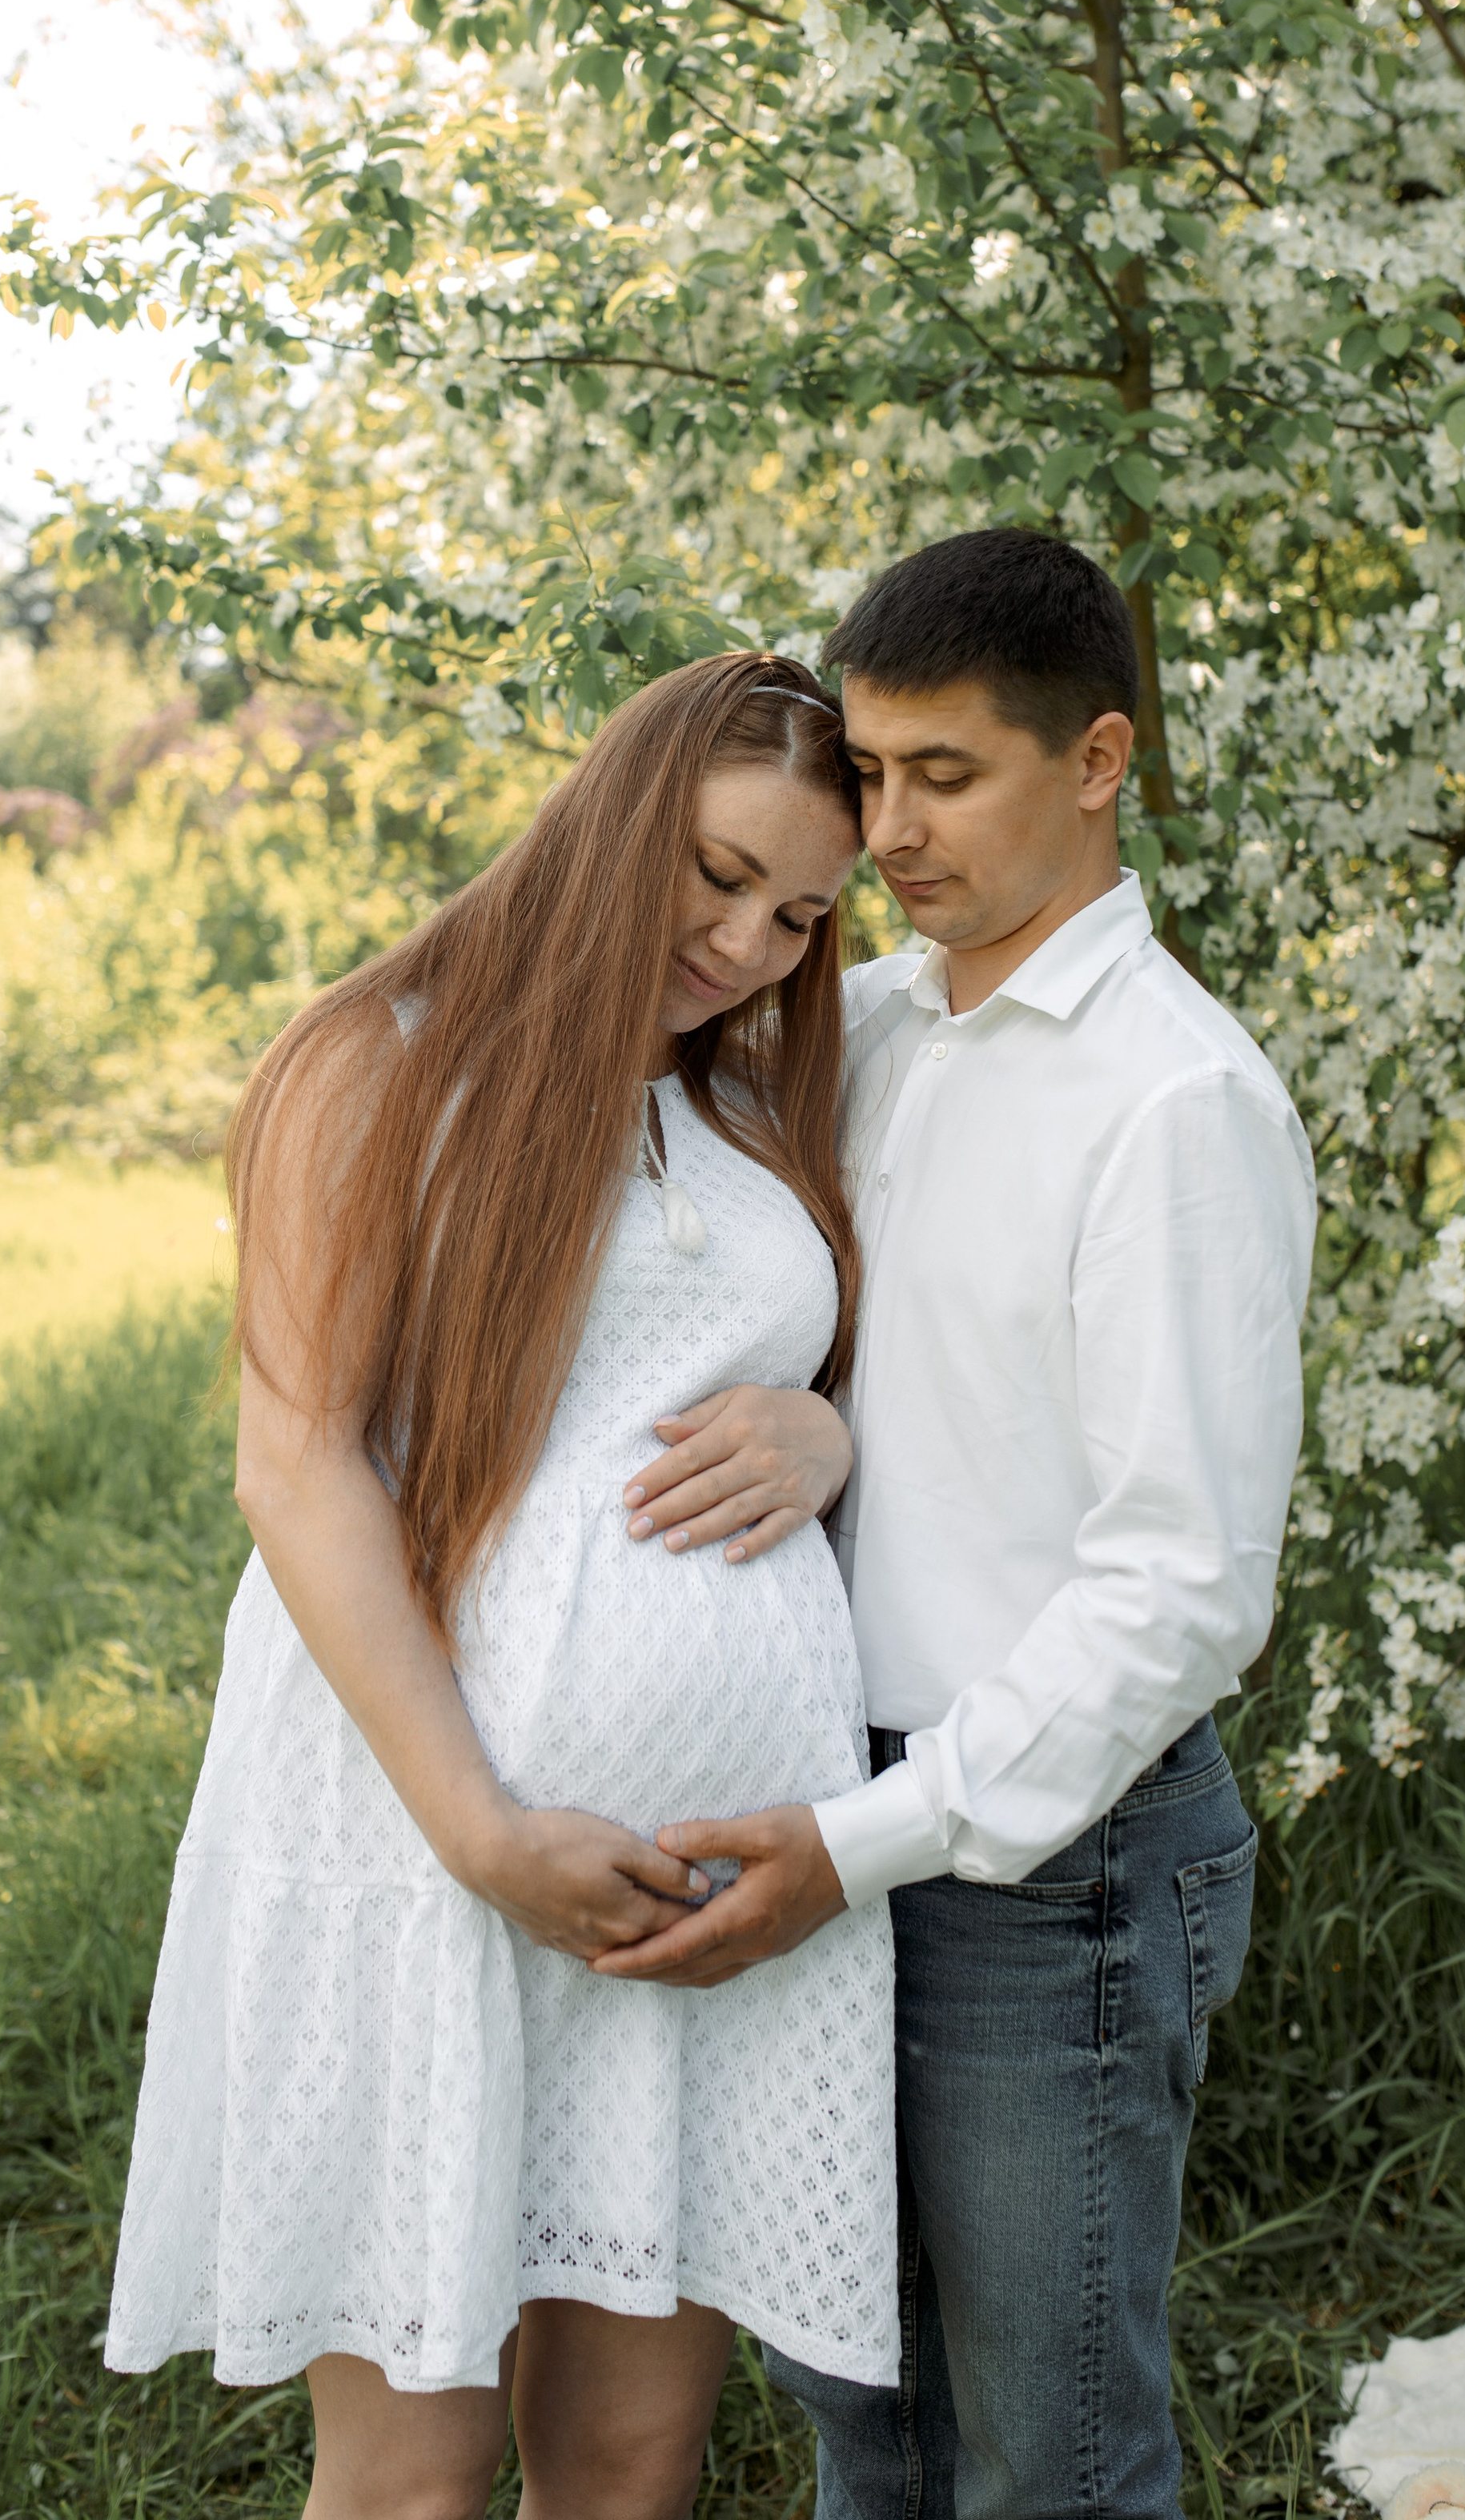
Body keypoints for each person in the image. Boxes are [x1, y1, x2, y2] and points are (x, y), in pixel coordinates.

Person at [103, 653, 900, 2520]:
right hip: (425, 1852)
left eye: (798, 913)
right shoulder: (374, 1064)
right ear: (613, 812)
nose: (747, 943)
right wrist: (478, 1827)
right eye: (715, 875)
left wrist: (827, 1435)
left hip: (704, 1886)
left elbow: (799, 1379)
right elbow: (296, 1464)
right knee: (415, 2466)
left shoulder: (749, 1101)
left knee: (627, 2461)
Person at [606, 532, 1318, 2520]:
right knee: (865, 2423)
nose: (888, 827)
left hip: (1048, 1867)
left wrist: (864, 1846)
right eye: (874, 774)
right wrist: (822, 1439)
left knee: (1045, 2471)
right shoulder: (871, 1031)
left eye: (947, 777)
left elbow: (1180, 1586)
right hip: (829, 1805)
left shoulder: (1173, 1103)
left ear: (1094, 761)